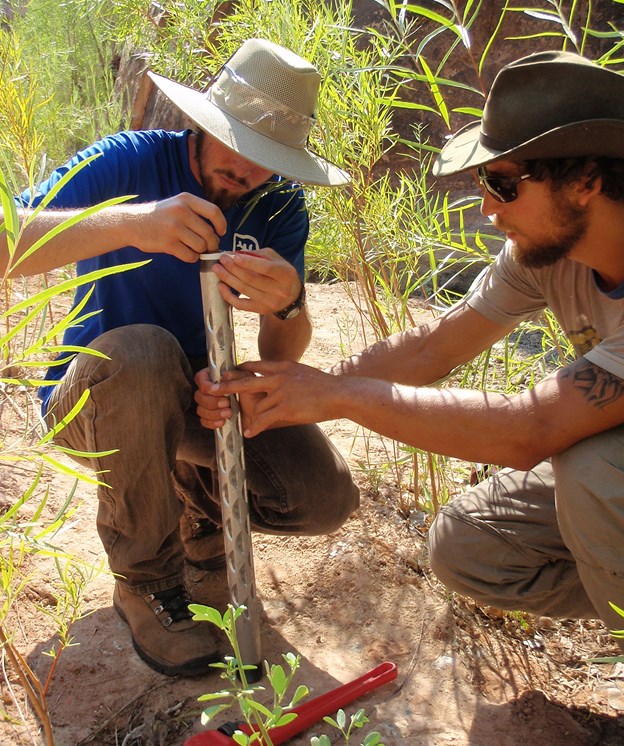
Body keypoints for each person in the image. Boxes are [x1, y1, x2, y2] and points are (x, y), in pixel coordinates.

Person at [199, 51, 624, 664]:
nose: (488, 210)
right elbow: (437, 345)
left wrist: (336, 397)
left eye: (504, 184)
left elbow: (530, 430)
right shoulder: (548, 256)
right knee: (470, 545)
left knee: (597, 471)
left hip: (622, 477)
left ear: (586, 181)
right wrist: (298, 386)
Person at [2, 38, 359, 677]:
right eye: (239, 146)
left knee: (321, 495)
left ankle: (198, 522)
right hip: (95, 397)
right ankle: (145, 584)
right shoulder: (128, 163)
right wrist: (130, 224)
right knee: (143, 351)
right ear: (205, 121)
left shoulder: (278, 207)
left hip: (199, 397)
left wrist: (288, 305)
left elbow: (284, 353)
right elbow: (8, 246)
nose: (249, 172)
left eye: (268, 159)